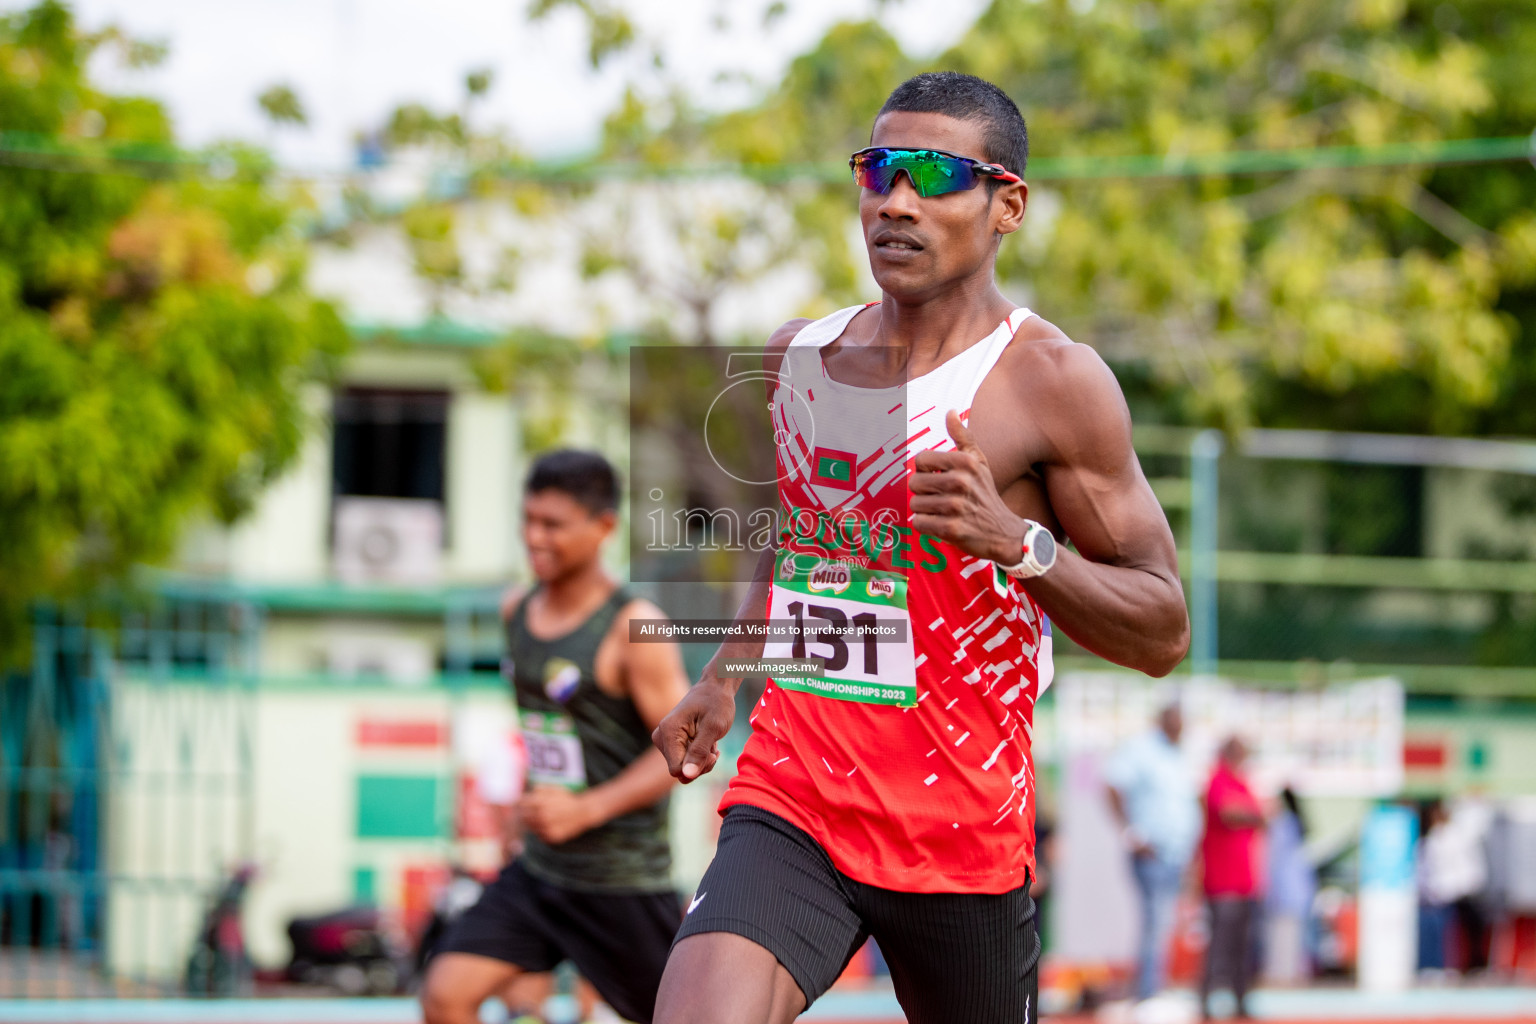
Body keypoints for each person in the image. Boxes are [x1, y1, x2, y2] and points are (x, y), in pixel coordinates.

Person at [650, 72, 1190, 1024]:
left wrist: (1015, 544)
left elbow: (1163, 628)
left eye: (937, 175)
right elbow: (802, 548)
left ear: (1006, 204)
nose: (896, 201)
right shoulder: (797, 359)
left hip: (958, 824)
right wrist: (726, 675)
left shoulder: (1053, 384)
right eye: (879, 170)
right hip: (796, 792)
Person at [421, 450, 692, 1024]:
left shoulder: (632, 627)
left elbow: (683, 753)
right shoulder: (516, 610)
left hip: (621, 880)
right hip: (540, 873)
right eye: (528, 520)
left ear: (603, 528)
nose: (534, 537)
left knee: (682, 1017)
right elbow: (553, 731)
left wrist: (586, 809)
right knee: (445, 996)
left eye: (553, 525)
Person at [1104, 701, 1200, 1002]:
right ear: (1163, 720)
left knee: (1165, 923)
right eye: (1176, 720)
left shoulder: (1180, 754)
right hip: (1153, 852)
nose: (1180, 726)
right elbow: (1112, 785)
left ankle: (1154, 988)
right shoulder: (1142, 749)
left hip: (1176, 854)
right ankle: (1148, 994)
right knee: (1155, 922)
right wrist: (1131, 834)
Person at [1199, 737, 1266, 1020]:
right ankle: (1208, 1001)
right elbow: (1230, 813)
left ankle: (1241, 999)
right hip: (1222, 880)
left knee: (1242, 946)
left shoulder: (1242, 783)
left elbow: (1259, 816)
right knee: (1220, 946)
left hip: (1244, 881)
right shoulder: (1217, 780)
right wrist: (1253, 815)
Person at [1263, 786, 1315, 985]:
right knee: (1289, 935)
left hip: (1285, 891)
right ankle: (1287, 972)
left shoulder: (1282, 826)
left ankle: (1282, 975)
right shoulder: (1293, 825)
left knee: (1283, 935)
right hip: (1294, 890)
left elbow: (1274, 862)